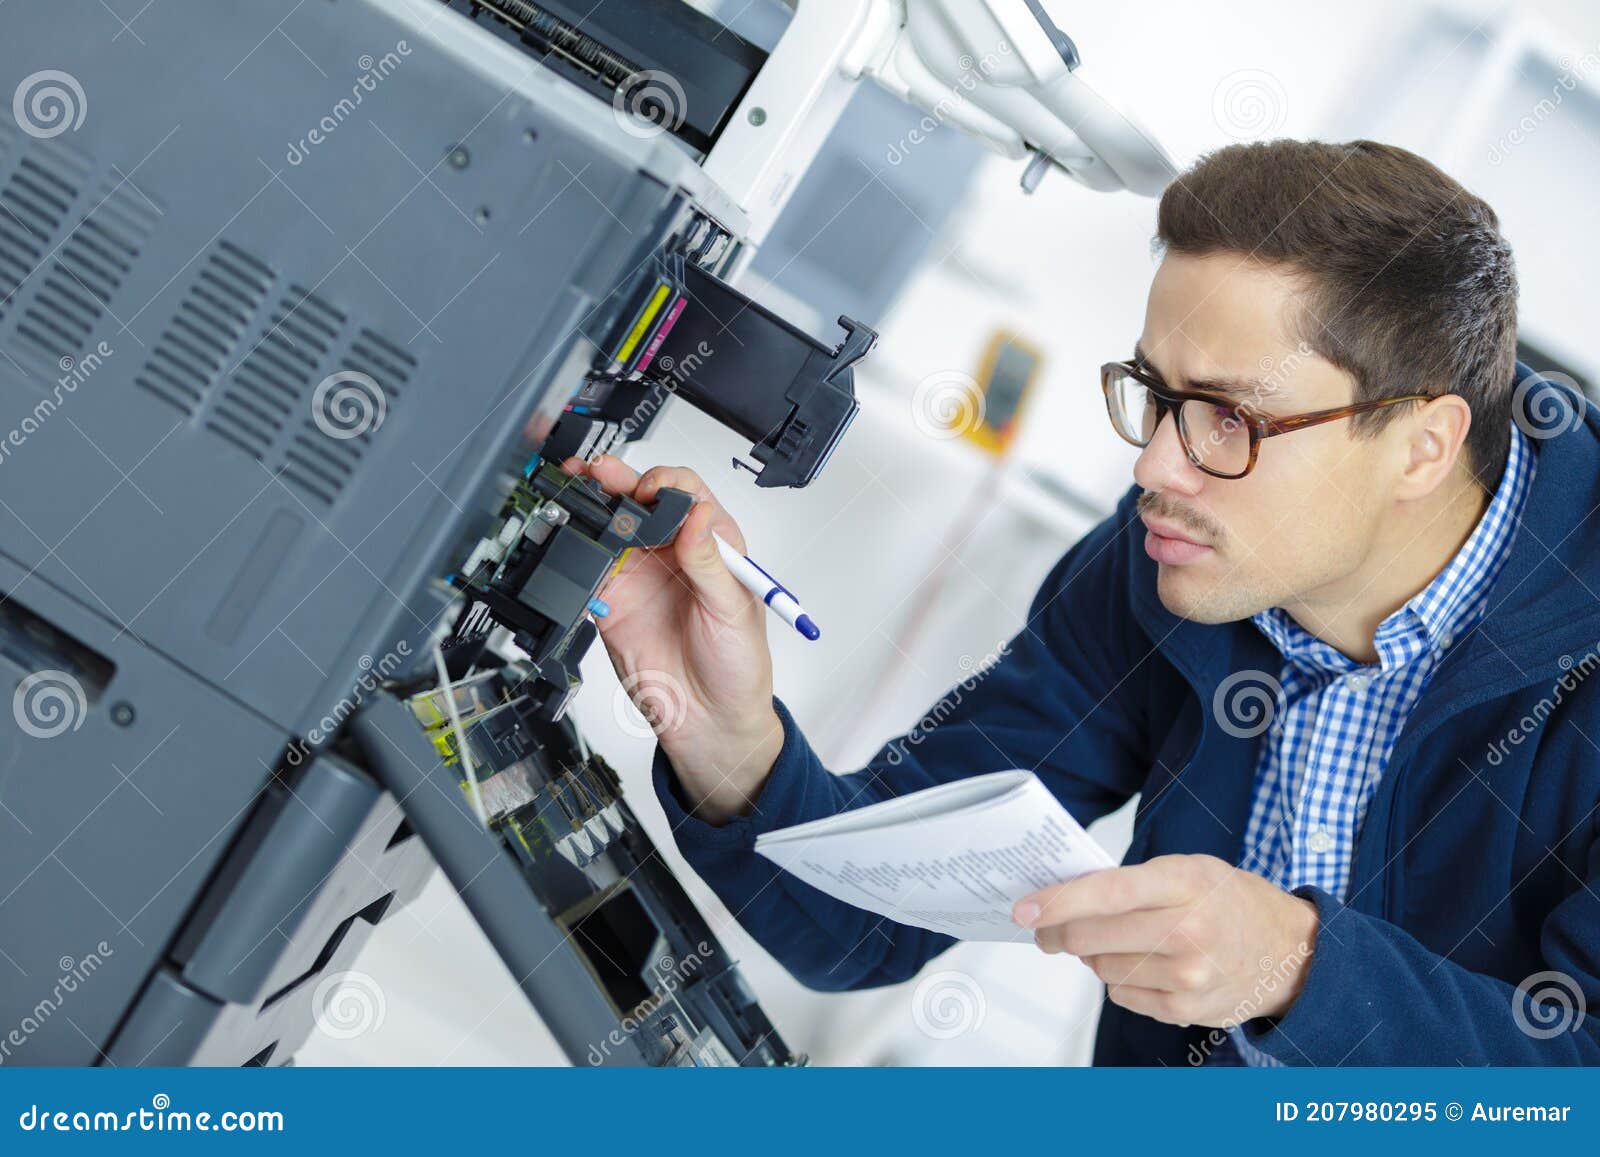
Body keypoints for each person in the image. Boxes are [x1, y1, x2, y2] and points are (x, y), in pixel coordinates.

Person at [563, 139, 1600, 1065]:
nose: (1153, 464)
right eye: (1153, 393)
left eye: (1228, 417)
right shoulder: (1160, 564)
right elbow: (862, 923)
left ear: (1420, 444)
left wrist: (1299, 972)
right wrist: (723, 735)